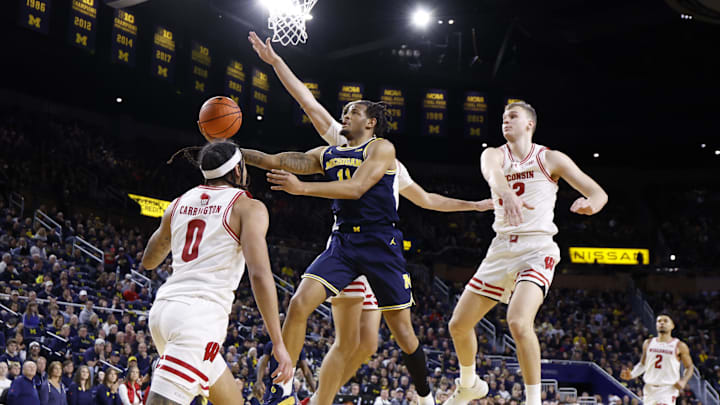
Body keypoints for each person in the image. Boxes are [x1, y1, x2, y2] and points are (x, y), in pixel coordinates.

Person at [248, 30, 495, 405]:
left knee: (378, 340)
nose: (344, 113)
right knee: (323, 321)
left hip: (381, 244)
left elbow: (424, 199)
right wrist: (274, 65)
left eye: (353, 111)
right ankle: (287, 393)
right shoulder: (334, 142)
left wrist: (473, 206)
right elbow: (305, 100)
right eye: (344, 111)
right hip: (344, 242)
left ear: (372, 122)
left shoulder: (384, 153)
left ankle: (424, 396)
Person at [443, 101, 609, 405]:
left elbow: (598, 191)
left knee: (518, 322)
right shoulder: (494, 154)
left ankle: (534, 401)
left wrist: (592, 204)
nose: (505, 121)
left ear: (529, 124)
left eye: (513, 117)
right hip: (501, 247)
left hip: (537, 248)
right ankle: (469, 384)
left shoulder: (550, 158)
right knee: (458, 325)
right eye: (504, 117)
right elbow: (491, 172)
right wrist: (505, 193)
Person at [142, 141, 292, 405]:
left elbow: (149, 261)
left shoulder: (178, 203)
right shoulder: (248, 207)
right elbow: (259, 274)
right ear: (237, 170)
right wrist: (278, 343)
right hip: (198, 318)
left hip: (164, 311)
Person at [621, 314, 694, 405]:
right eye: (659, 321)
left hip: (667, 389)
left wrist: (684, 381)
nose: (662, 323)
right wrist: (631, 375)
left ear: (672, 326)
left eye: (665, 321)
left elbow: (689, 367)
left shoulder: (679, 345)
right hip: (649, 388)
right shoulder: (648, 343)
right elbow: (643, 364)